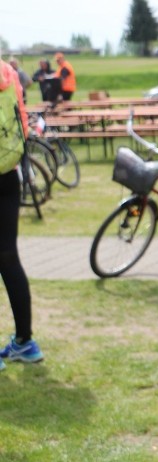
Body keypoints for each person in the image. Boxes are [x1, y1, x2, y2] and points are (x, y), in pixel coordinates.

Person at [0, 57, 45, 371]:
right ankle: (25, 341)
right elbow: (23, 121)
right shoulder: (8, 72)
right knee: (8, 256)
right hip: (8, 171)